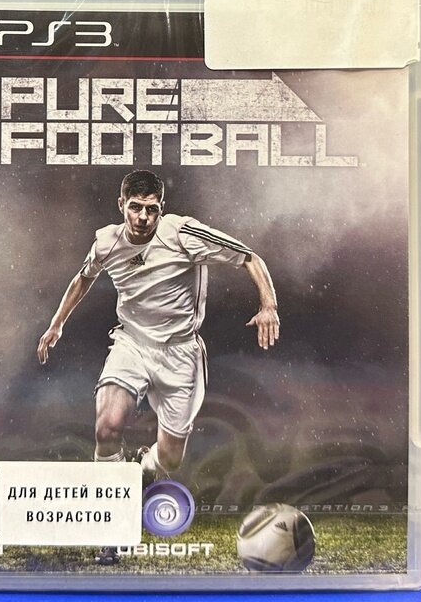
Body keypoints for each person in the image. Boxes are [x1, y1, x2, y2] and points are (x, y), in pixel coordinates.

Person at [36, 169, 279, 563]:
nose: (143, 217)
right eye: (135, 208)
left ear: (161, 208)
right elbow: (83, 278)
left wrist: (268, 305)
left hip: (181, 354)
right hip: (131, 344)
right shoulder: (106, 242)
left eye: (151, 209)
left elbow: (249, 257)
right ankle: (111, 526)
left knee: (170, 459)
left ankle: (143, 470)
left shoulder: (183, 233)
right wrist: (56, 324)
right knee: (106, 426)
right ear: (122, 205)